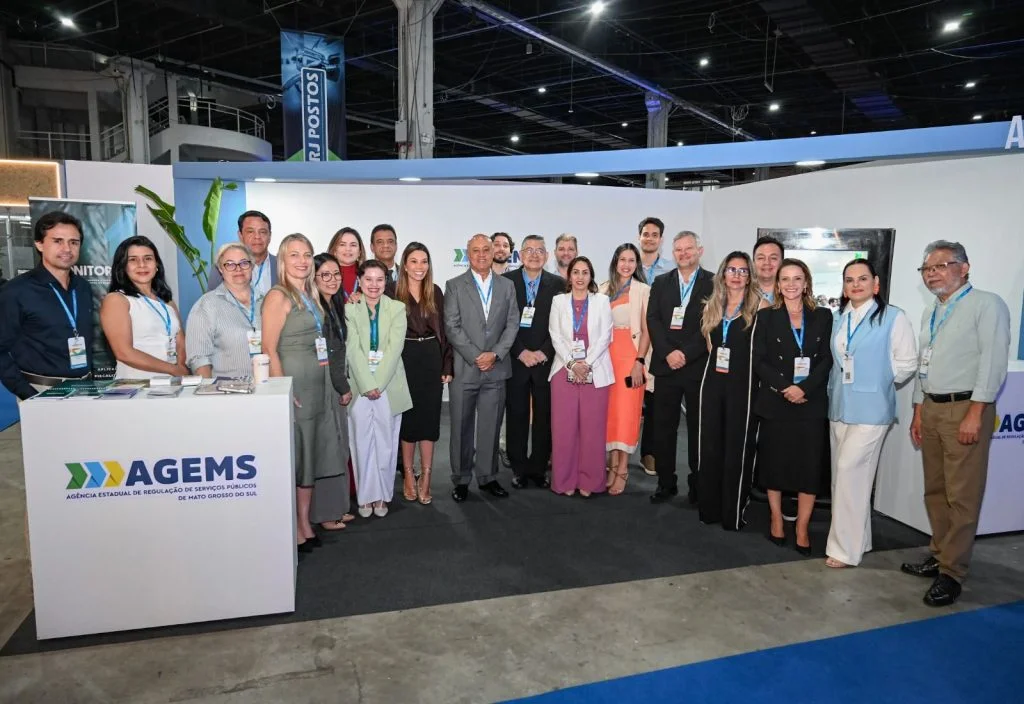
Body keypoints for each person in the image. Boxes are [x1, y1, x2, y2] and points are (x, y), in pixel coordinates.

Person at [903, 241, 1010, 607]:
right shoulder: (931, 311)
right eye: (927, 268)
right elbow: (924, 363)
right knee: (935, 490)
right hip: (932, 408)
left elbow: (992, 362)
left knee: (962, 494)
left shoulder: (987, 304)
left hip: (965, 409)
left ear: (964, 268)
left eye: (941, 265)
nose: (932, 273)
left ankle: (952, 573)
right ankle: (939, 554)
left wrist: (977, 412)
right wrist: (919, 409)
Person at [825, 258, 918, 569]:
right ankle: (859, 540)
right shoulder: (839, 317)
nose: (856, 285)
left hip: (872, 410)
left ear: (876, 284)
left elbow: (907, 363)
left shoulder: (894, 317)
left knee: (850, 472)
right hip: (840, 406)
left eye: (862, 278)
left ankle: (844, 550)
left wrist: (877, 380)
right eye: (849, 280)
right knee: (844, 478)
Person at [261, 234, 346, 552]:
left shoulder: (309, 294)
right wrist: (282, 389)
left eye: (307, 254)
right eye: (294, 255)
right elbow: (268, 348)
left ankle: (305, 523)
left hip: (318, 387)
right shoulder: (278, 296)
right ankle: (294, 528)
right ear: (283, 260)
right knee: (298, 458)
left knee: (312, 456)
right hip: (295, 388)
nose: (302, 261)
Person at [753, 259, 833, 553]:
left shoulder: (823, 316)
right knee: (774, 464)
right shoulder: (766, 317)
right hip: (777, 401)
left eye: (797, 278)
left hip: (810, 403)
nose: (791, 284)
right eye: (785, 279)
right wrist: (786, 388)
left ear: (806, 282)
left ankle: (802, 526)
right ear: (777, 284)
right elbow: (759, 359)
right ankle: (776, 518)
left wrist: (803, 388)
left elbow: (827, 359)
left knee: (808, 467)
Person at [444, 234, 520, 502]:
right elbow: (451, 326)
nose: (481, 255)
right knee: (460, 428)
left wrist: (495, 354)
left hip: (496, 369)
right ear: (468, 254)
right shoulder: (454, 285)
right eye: (475, 250)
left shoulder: (507, 286)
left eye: (486, 249)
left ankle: (488, 477)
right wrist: (477, 356)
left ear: (493, 252)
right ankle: (461, 479)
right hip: (466, 368)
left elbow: (512, 323)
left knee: (490, 426)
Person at [646, 231, 714, 504]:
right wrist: (668, 353)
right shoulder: (661, 282)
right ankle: (666, 482)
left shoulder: (714, 283)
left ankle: (698, 484)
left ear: (700, 251)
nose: (683, 254)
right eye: (678, 250)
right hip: (666, 366)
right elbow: (653, 319)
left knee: (698, 428)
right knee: (664, 428)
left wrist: (685, 354)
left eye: (689, 249)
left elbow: (711, 323)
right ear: (672, 253)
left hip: (697, 366)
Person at [696, 252, 761, 530]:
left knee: (737, 448)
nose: (736, 275)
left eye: (743, 271)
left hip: (742, 386)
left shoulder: (760, 308)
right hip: (712, 382)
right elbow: (710, 347)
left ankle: (732, 514)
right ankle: (709, 509)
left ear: (750, 276)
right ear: (723, 274)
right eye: (732, 270)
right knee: (709, 446)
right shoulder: (712, 306)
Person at [0, 211, 94, 398]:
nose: (67, 249)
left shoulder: (82, 287)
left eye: (74, 242)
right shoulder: (16, 291)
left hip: (86, 388)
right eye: (58, 241)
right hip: (42, 390)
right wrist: (29, 395)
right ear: (39, 244)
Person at [345, 259, 413, 518]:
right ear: (359, 281)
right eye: (368, 279)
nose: (374, 285)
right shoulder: (350, 309)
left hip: (389, 385)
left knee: (386, 443)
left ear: (386, 281)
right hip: (359, 385)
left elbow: (395, 349)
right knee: (361, 443)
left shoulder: (397, 308)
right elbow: (353, 349)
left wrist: (378, 384)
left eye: (380, 279)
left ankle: (383, 495)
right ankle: (365, 497)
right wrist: (367, 384)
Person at [549, 256, 613, 496]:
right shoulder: (558, 301)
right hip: (563, 370)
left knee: (592, 430)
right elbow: (555, 335)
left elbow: (605, 336)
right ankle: (564, 481)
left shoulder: (602, 301)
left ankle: (590, 482)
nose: (580, 277)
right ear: (569, 276)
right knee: (564, 429)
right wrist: (572, 363)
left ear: (591, 276)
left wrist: (586, 363)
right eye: (576, 272)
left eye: (585, 272)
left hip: (595, 371)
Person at [395, 243, 453, 505]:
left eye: (424, 261)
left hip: (431, 357)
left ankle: (427, 476)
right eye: (414, 261)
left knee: (429, 420)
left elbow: (446, 331)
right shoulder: (392, 291)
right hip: (403, 359)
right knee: (408, 421)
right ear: (405, 265)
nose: (420, 267)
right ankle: (409, 473)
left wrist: (447, 365)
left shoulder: (435, 292)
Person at [504, 235, 561, 489]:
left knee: (544, 418)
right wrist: (520, 352)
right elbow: (501, 322)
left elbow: (562, 325)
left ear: (547, 256)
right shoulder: (506, 282)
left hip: (545, 361)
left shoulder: (559, 284)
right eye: (529, 250)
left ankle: (538, 469)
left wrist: (544, 352)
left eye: (540, 250)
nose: (534, 254)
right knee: (516, 416)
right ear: (520, 254)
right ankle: (518, 468)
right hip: (516, 360)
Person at [599, 244, 651, 495]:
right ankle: (610, 466)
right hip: (604, 360)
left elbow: (647, 330)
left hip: (630, 360)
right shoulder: (602, 289)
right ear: (615, 262)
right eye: (622, 259)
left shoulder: (643, 290)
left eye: (632, 260)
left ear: (637, 264)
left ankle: (622, 469)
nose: (626, 265)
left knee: (627, 414)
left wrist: (639, 362)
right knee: (608, 414)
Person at [101, 235, 188, 379]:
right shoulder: (117, 300)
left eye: (148, 258)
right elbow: (123, 352)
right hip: (136, 385)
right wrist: (173, 369)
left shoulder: (168, 302)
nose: (142, 264)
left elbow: (180, 343)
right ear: (123, 266)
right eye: (133, 259)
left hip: (172, 383)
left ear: (157, 264)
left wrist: (180, 369)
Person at [312, 253, 355, 530]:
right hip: (325, 385)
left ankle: (337, 507)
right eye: (325, 275)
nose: (332, 280)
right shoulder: (315, 311)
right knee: (327, 450)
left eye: (336, 274)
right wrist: (342, 385)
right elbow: (327, 354)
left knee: (340, 448)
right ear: (314, 279)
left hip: (335, 383)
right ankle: (325, 514)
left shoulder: (336, 306)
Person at [186, 243, 264, 379]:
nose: (238, 269)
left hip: (267, 387)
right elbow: (199, 359)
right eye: (230, 264)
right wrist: (209, 389)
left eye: (244, 263)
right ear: (220, 269)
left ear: (252, 266)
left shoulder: (266, 301)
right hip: (227, 389)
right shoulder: (206, 305)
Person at [637, 216, 673, 476]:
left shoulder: (670, 270)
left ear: (661, 239)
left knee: (655, 401)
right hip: (631, 342)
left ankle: (649, 453)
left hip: (658, 342)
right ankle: (615, 452)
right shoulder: (628, 264)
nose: (649, 238)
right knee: (625, 399)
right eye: (645, 234)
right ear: (639, 237)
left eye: (654, 234)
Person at [208, 211, 277, 297]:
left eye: (262, 232)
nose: (257, 237)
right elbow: (212, 300)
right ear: (240, 235)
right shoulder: (222, 267)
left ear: (270, 236)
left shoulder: (283, 265)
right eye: (250, 232)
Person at [328, 227, 366, 303]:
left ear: (360, 251)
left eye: (353, 245)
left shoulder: (368, 274)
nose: (348, 249)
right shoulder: (323, 276)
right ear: (334, 250)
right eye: (342, 244)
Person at [752, 236, 784, 306]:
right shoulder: (740, 294)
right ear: (753, 263)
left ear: (782, 262)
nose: (767, 262)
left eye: (773, 258)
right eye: (761, 258)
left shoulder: (791, 294)